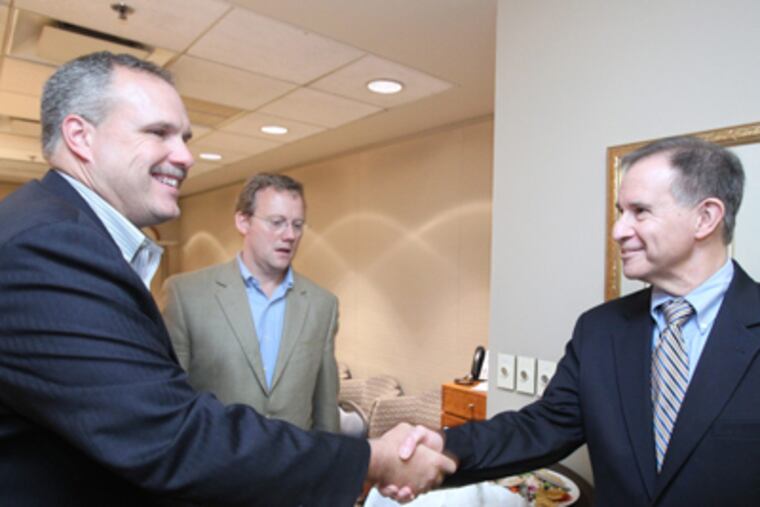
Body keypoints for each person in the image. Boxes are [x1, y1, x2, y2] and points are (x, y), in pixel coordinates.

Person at [0, 51, 453, 506]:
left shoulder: (57, 232)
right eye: (159, 132)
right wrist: (369, 459)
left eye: (185, 137)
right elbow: (173, 433)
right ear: (81, 135)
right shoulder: (49, 246)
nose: (185, 156)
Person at [401, 136, 760, 506]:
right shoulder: (600, 331)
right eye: (621, 212)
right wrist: (445, 446)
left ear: (705, 218)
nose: (618, 230)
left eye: (639, 211)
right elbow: (542, 427)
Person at [162, 173, 340, 432]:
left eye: (298, 225)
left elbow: (325, 410)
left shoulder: (322, 305)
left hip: (293, 468)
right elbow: (170, 399)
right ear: (243, 221)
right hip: (215, 466)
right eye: (277, 222)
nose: (289, 235)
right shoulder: (185, 294)